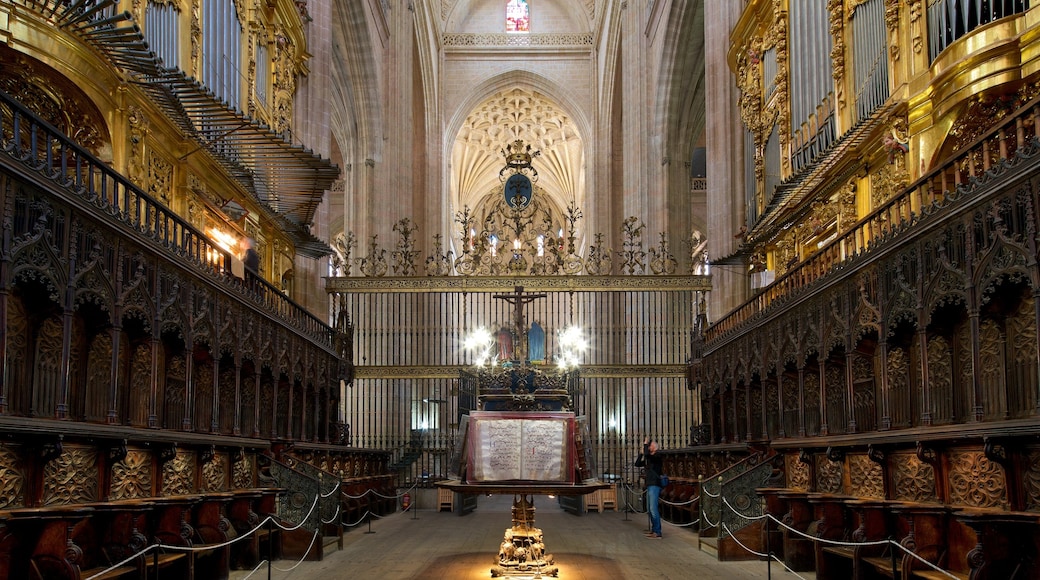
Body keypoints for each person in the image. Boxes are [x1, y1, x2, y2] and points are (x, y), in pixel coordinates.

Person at [635, 436, 663, 539]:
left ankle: (658, 532)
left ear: (655, 447)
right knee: (649, 509)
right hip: (649, 484)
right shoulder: (649, 458)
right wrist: (641, 453)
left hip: (655, 485)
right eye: (649, 446)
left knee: (653, 508)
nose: (649, 447)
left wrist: (645, 444)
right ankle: (654, 529)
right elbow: (637, 464)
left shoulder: (657, 456)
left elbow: (649, 456)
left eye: (650, 446)